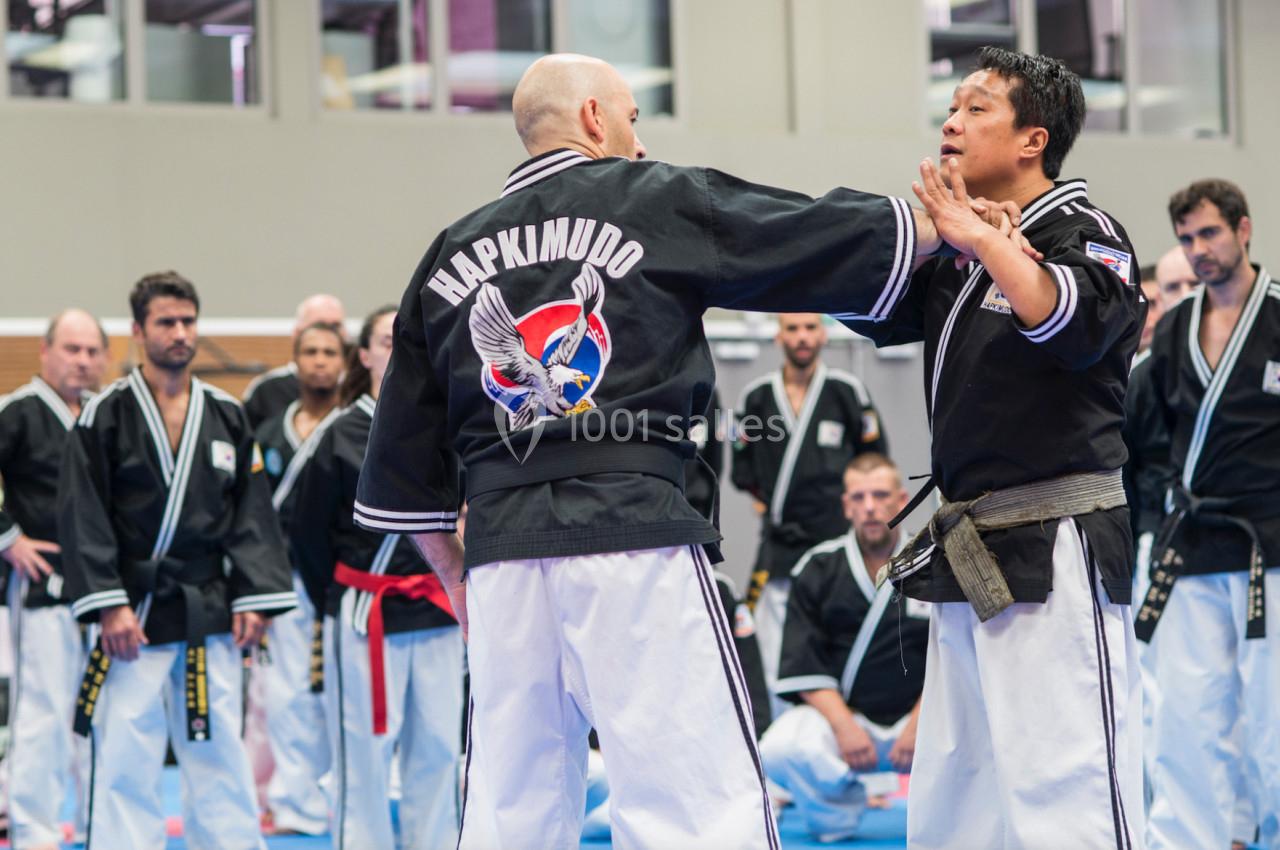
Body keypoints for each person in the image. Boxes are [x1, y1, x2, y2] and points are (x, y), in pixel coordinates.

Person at [350, 50, 979, 848]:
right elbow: (793, 229)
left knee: (509, 807)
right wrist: (935, 228)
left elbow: (403, 463)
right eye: (631, 120)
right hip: (633, 537)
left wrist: (461, 586)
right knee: (693, 796)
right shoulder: (650, 197)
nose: (639, 143)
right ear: (592, 119)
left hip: (504, 560)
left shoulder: (448, 253)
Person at [842, 47, 1145, 849]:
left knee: (1066, 779)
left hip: (1058, 546)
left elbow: (1071, 325)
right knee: (959, 790)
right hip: (972, 545)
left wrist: (985, 243)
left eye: (976, 108)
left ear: (1031, 140)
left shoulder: (1090, 231)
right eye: (951, 106)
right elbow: (863, 300)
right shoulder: (957, 250)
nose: (950, 121)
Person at [57, 271, 296, 850]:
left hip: (203, 606)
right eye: (167, 322)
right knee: (126, 754)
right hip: (132, 613)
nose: (181, 332)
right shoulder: (105, 415)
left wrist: (254, 595)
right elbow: (81, 512)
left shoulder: (226, 414)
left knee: (218, 750)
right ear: (139, 331)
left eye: (189, 320)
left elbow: (251, 514)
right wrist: (109, 604)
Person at [292, 306, 463, 850]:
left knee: (438, 749)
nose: (398, 351)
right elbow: (307, 536)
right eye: (387, 342)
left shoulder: (446, 426)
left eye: (407, 342)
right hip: (366, 614)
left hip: (435, 611)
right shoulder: (337, 435)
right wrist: (343, 592)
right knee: (364, 753)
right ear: (362, 355)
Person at [1141, 178, 1279, 850]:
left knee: (1273, 716)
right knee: (1188, 714)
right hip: (1191, 544)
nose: (1198, 250)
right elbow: (1142, 433)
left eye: (1210, 234)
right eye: (1187, 238)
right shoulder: (1172, 329)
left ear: (1243, 229)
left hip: (1271, 547)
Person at [759, 453, 928, 842]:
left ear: (902, 500)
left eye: (880, 495)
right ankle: (838, 810)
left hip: (921, 722)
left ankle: (942, 813)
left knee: (981, 725)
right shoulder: (817, 567)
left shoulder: (932, 560)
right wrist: (845, 727)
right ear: (846, 505)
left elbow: (952, 659)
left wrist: (920, 724)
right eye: (859, 497)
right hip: (847, 728)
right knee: (781, 747)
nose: (870, 507)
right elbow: (803, 659)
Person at [732, 313, 888, 719]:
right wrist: (765, 503)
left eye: (810, 328)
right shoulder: (755, 398)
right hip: (781, 545)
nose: (802, 337)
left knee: (840, 640)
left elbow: (873, 461)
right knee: (773, 647)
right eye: (793, 328)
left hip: (836, 541)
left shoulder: (846, 391)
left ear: (823, 333)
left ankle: (850, 740)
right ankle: (781, 742)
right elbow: (741, 469)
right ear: (778, 335)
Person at [0, 310, 108, 850]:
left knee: (98, 708)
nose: (83, 361)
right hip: (42, 586)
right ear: (45, 352)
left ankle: (97, 823)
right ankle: (34, 828)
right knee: (42, 708)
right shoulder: (17, 412)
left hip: (103, 589)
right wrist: (8, 538)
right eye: (72, 349)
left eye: (92, 351)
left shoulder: (107, 415)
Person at [253, 321, 345, 836]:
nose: (319, 361)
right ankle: (295, 803)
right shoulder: (267, 434)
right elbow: (250, 516)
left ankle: (336, 792)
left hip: (342, 578)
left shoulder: (358, 428)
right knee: (286, 695)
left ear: (344, 360)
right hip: (284, 580)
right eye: (309, 351)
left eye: (329, 351)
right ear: (295, 360)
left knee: (339, 690)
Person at [243, 294, 347, 428]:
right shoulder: (267, 391)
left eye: (335, 327)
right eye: (317, 325)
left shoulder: (359, 387)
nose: (320, 361)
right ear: (297, 334)